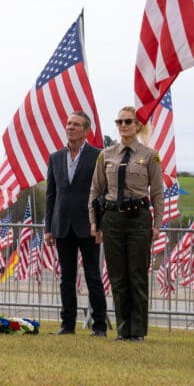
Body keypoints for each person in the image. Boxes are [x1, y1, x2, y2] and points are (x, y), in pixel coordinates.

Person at [89, 106, 164, 342]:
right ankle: (123, 330)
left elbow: (158, 193)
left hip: (139, 218)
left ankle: (137, 331)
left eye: (128, 121)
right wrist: (94, 222)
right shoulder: (106, 155)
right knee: (118, 276)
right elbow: (96, 190)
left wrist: (157, 224)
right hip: (112, 219)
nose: (123, 126)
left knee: (137, 274)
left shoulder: (150, 155)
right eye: (119, 121)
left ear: (138, 125)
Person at [44, 112, 108, 337]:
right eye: (69, 123)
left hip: (88, 225)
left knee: (93, 276)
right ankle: (67, 324)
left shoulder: (98, 156)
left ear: (86, 130)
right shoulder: (55, 157)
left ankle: (99, 325)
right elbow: (51, 195)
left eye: (76, 125)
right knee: (66, 278)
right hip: (62, 225)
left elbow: (102, 192)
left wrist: (98, 224)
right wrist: (48, 228)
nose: (70, 127)